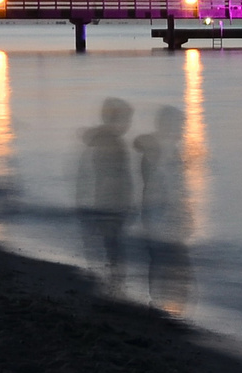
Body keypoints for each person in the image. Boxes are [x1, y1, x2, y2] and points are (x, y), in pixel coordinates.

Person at [134, 106, 193, 313]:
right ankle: (165, 306)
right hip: (161, 218)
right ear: (169, 125)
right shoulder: (160, 153)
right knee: (169, 263)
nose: (183, 130)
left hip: (159, 217)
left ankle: (163, 305)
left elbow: (175, 186)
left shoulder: (165, 151)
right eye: (180, 125)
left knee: (164, 263)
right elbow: (167, 187)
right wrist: (179, 215)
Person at [75, 97, 134, 291]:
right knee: (114, 244)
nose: (127, 124)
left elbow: (88, 173)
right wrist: (128, 201)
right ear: (116, 119)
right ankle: (115, 283)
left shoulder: (97, 141)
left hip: (98, 200)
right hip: (110, 202)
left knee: (105, 243)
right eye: (126, 119)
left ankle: (105, 279)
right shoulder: (114, 143)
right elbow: (120, 175)